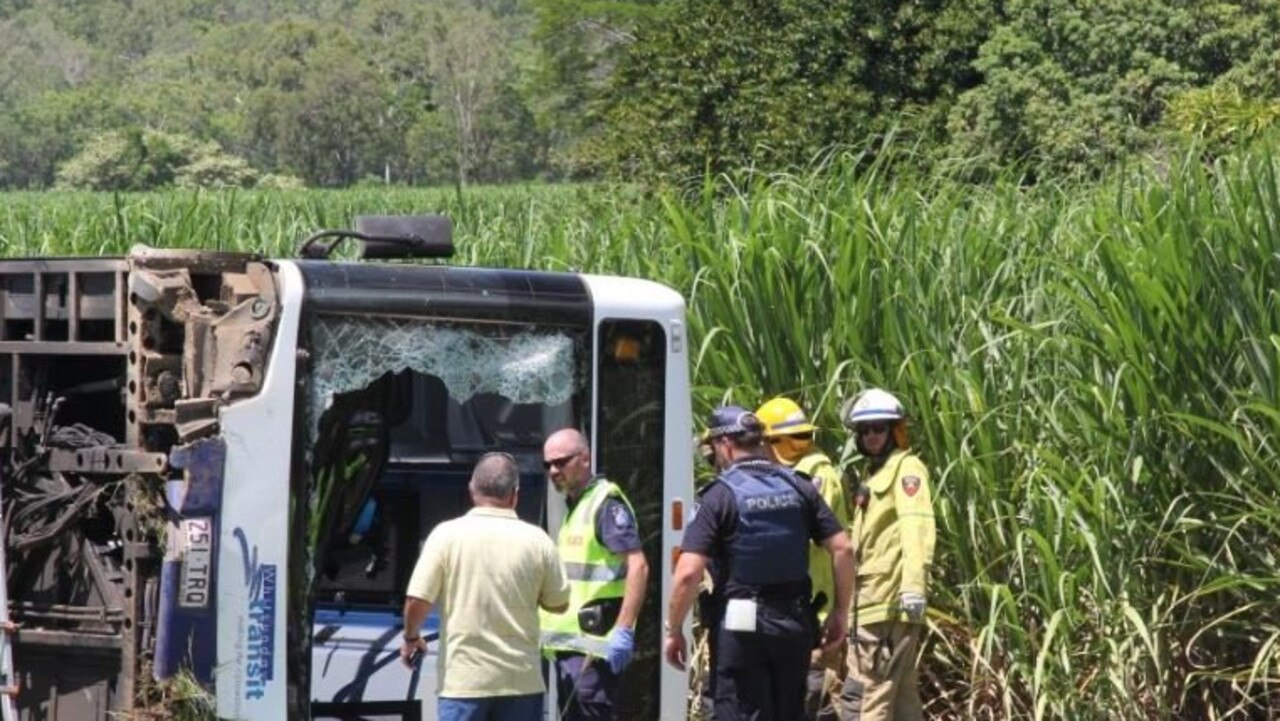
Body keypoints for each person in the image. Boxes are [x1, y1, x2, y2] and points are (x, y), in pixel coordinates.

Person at [664, 406, 855, 721]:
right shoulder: (799, 487)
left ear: (725, 444)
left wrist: (674, 630)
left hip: (741, 629)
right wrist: (840, 613)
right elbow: (843, 549)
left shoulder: (719, 496)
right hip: (794, 623)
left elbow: (687, 573)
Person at [400, 452, 570, 721]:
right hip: (521, 682)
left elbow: (417, 601)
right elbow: (559, 603)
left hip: (464, 684)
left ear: (472, 489)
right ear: (515, 494)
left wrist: (411, 638)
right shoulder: (538, 540)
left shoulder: (446, 535)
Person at [835, 388, 936, 721]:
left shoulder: (906, 470)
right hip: (873, 604)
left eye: (879, 428)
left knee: (868, 697)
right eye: (864, 430)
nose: (872, 436)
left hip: (888, 604)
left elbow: (916, 528)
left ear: (894, 429)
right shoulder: (876, 473)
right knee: (902, 701)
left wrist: (913, 587)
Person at [539, 429, 650, 721]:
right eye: (548, 464)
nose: (553, 470)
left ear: (585, 459)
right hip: (571, 649)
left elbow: (638, 566)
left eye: (561, 462)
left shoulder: (605, 505)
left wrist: (624, 630)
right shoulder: (576, 507)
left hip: (593, 651)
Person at [756, 396, 854, 720]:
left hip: (813, 608)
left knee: (811, 698)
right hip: (794, 610)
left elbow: (815, 541)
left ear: (777, 442)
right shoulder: (796, 473)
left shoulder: (814, 476)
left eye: (762, 442)